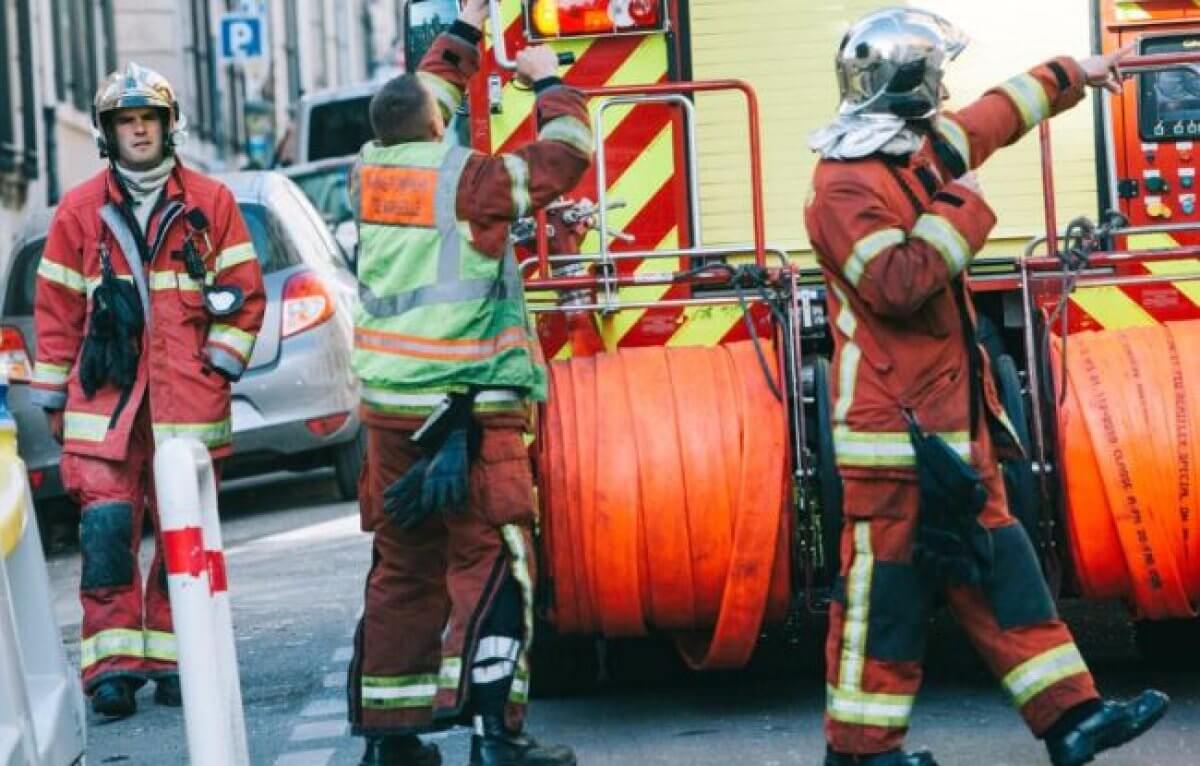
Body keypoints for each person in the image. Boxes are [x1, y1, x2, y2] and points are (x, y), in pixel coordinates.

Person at [805, 9, 1168, 766]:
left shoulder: (916, 153)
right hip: (892, 437)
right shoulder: (843, 185)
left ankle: (1073, 720)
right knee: (886, 601)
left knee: (1004, 576)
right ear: (908, 83)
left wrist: (1074, 72)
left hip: (950, 423)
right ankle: (861, 751)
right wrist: (962, 205)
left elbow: (992, 117)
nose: (946, 86)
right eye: (935, 72)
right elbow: (896, 282)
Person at [345, 0, 592, 763]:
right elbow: (563, 157)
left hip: (391, 414)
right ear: (434, 127)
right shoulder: (471, 182)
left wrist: (467, 32)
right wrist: (551, 83)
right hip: (468, 409)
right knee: (490, 557)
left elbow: (422, 95)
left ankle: (392, 740)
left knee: (402, 563)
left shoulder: (369, 169)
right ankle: (496, 736)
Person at [31, 62, 265, 718]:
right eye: (126, 122)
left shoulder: (210, 204)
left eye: (148, 121)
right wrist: (55, 399)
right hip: (106, 409)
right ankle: (112, 668)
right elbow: (55, 314)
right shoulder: (79, 212)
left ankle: (176, 658)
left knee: (181, 537)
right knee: (106, 533)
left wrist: (216, 369)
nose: (138, 132)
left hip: (186, 404)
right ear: (108, 134)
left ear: (168, 128)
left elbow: (244, 298)